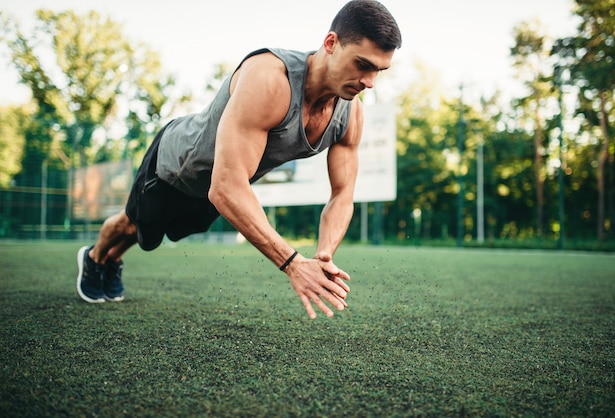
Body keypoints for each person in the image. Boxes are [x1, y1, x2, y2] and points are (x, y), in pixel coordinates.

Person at [76, 0, 402, 319]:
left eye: (379, 70)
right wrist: (292, 263)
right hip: (176, 164)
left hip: (215, 189)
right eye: (362, 64)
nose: (370, 82)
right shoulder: (271, 78)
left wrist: (323, 253)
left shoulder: (350, 113)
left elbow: (343, 194)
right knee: (132, 223)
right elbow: (226, 187)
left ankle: (112, 258)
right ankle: (95, 257)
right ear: (331, 43)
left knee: (151, 234)